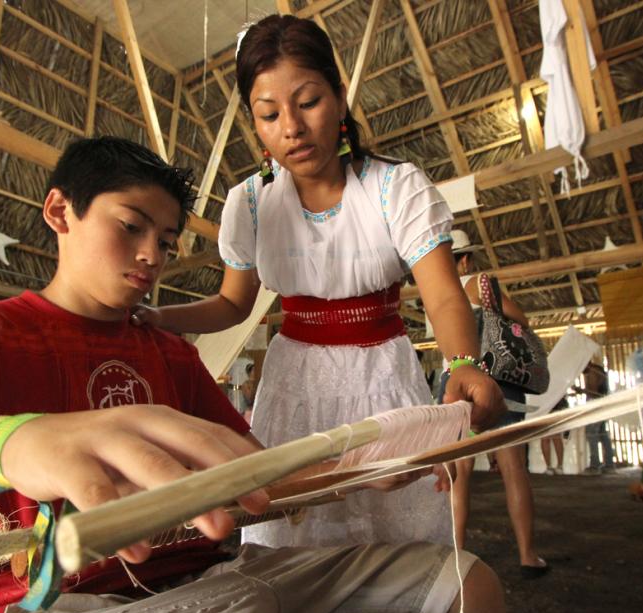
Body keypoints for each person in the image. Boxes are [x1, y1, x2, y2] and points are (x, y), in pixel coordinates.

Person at [0, 137, 506, 613]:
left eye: (168, 242)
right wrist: (3, 444)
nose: (152, 256)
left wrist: (359, 465)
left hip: (207, 596)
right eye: (132, 226)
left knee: (459, 593)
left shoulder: (168, 354)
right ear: (61, 212)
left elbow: (251, 476)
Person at [135, 15, 503, 548]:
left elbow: (443, 293)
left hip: (382, 378)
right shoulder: (252, 202)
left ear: (339, 94)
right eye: (269, 113)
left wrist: (465, 363)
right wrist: (161, 318)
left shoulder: (394, 187)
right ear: (255, 123)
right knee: (293, 536)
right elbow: (233, 305)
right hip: (294, 387)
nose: (292, 127)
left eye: (308, 102)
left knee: (393, 538)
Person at [443, 229, 549, 578]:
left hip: (454, 385)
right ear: (466, 259)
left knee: (460, 474)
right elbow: (521, 319)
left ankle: (456, 553)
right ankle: (527, 555)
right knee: (513, 469)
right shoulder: (477, 283)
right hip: (496, 382)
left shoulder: (436, 294)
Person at [581, 361, 616, 472]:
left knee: (591, 434)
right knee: (603, 435)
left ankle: (595, 464)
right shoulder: (599, 370)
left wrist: (580, 390)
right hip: (602, 405)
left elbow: (593, 392)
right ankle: (609, 463)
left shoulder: (592, 372)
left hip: (595, 406)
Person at [541, 396, 570, 475]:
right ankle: (549, 466)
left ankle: (560, 465)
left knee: (556, 437)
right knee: (545, 438)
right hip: (544, 407)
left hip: (557, 406)